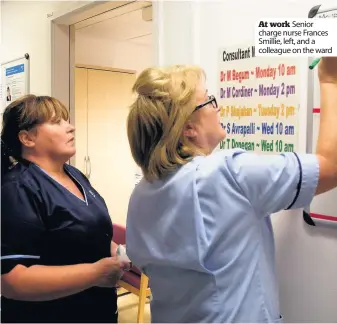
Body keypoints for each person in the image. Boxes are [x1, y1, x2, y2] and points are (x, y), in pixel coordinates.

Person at [125, 58, 337, 323]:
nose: (218, 107)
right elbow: (330, 167)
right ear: (189, 127)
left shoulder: (142, 193)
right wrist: (330, 80)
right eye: (209, 100)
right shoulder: (227, 173)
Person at [1, 95, 128, 323]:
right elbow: (12, 280)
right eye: (57, 122)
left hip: (97, 310)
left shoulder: (75, 175)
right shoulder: (17, 189)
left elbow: (88, 231)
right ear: (27, 138)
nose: (71, 127)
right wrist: (95, 274)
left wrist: (117, 252)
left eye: (67, 120)